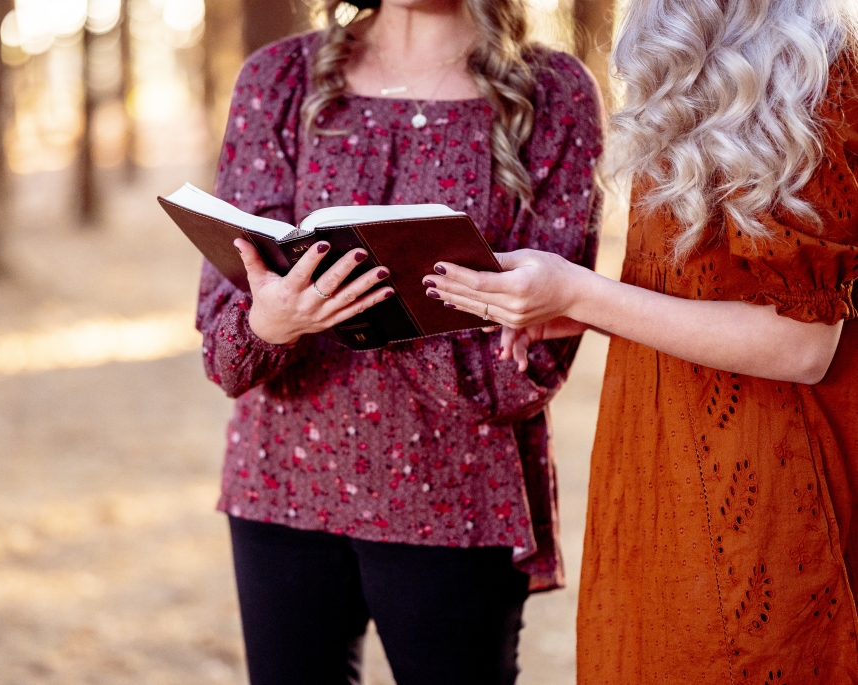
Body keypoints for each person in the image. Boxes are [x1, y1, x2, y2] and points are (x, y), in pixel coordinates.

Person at [421, 0, 858, 682]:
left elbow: (803, 345)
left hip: (770, 502)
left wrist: (580, 293)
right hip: (660, 475)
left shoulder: (814, 70)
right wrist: (588, 311)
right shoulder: (684, 55)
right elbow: (714, 295)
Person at [193, 0, 603, 681]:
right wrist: (271, 322)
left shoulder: (554, 92)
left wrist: (354, 307)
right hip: (283, 482)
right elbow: (224, 346)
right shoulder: (278, 78)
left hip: (460, 496)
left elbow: (528, 365)